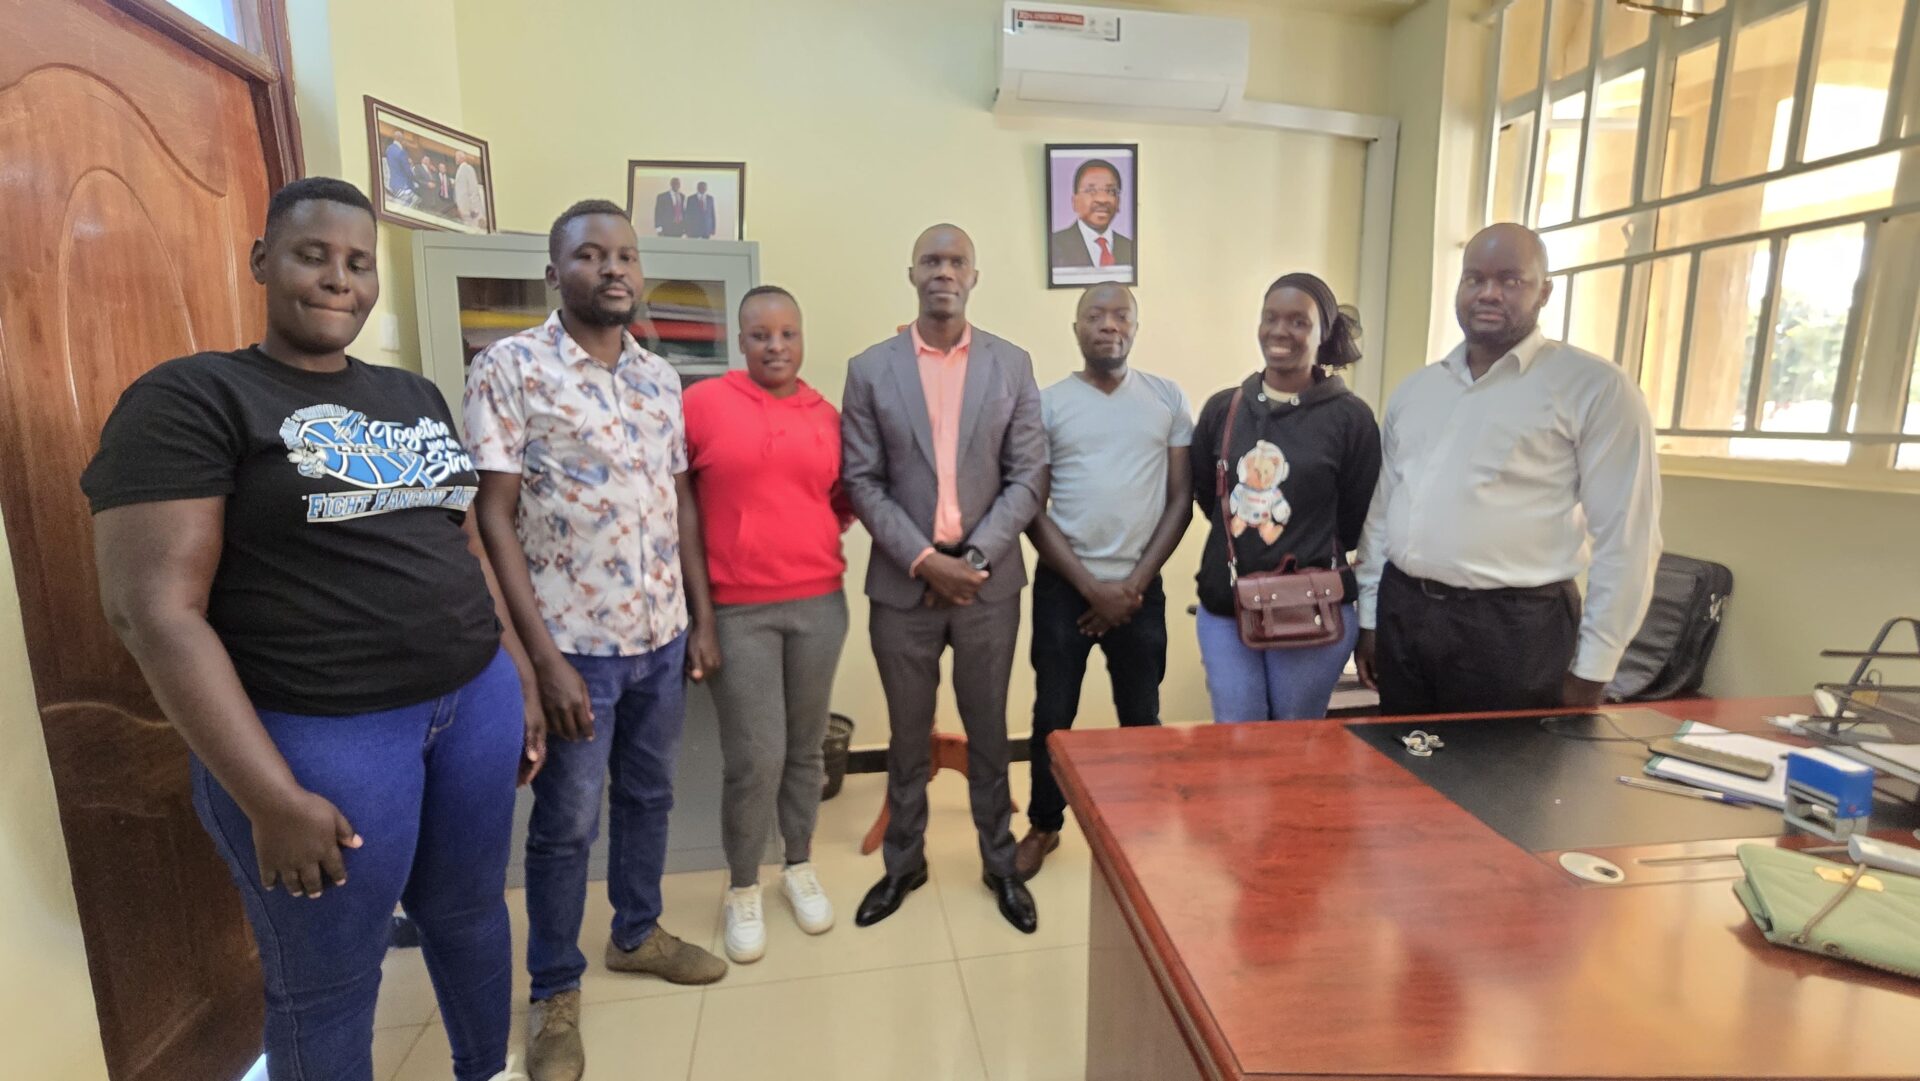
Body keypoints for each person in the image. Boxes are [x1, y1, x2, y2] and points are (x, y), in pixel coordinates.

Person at [81, 176, 543, 1081]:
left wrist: (518, 670)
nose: (340, 279)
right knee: (327, 982)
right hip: (323, 736)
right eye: (313, 255)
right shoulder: (194, 397)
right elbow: (151, 611)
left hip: (471, 702)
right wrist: (268, 799)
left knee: (471, 914)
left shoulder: (412, 393)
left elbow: (463, 543)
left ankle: (486, 1068)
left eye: (359, 263)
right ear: (262, 261)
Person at [464, 199, 727, 1081]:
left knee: (649, 797)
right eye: (589, 255)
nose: (612, 268)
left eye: (625, 255)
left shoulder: (661, 379)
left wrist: (699, 615)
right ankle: (554, 989)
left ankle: (638, 930)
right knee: (566, 827)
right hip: (573, 645)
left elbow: (678, 501)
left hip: (660, 635)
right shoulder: (511, 367)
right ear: (555, 273)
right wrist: (539, 662)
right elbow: (490, 518)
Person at [1354, 223, 1661, 715]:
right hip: (1405, 615)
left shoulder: (1595, 389)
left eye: (1511, 280)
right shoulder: (1418, 391)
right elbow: (1383, 512)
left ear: (1545, 291)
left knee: (1502, 786)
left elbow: (1628, 540)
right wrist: (1370, 617)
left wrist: (1594, 669)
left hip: (1516, 631)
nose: (1488, 293)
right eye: (1474, 278)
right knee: (1402, 775)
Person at [841, 223, 1046, 934]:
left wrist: (974, 561)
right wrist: (926, 561)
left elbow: (1028, 477)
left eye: (956, 260)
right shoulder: (870, 369)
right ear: (912, 273)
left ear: (974, 275)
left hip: (989, 584)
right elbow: (862, 480)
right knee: (905, 735)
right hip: (904, 585)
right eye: (932, 259)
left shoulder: (1012, 365)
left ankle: (999, 861)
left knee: (990, 728)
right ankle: (904, 862)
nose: (944, 271)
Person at [683, 285, 850, 963]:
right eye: (760, 335)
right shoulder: (701, 405)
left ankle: (799, 865)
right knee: (757, 756)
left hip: (819, 604)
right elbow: (680, 507)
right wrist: (703, 616)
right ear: (739, 339)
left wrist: (792, 536)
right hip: (737, 610)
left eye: (787, 333)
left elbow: (840, 500)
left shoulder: (827, 415)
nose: (775, 346)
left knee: (807, 749)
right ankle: (745, 885)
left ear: (802, 337)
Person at [1017, 283, 1192, 881]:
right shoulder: (1047, 404)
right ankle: (1044, 824)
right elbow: (1032, 510)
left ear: (1137, 328)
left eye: (1122, 315)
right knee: (1052, 716)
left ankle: (1140, 827)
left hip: (1140, 589)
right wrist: (1092, 590)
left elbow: (1180, 500)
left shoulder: (1167, 398)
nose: (1108, 325)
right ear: (1076, 327)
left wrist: (1130, 588)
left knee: (1141, 714)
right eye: (1096, 314)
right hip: (1066, 587)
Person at [1190, 272, 1381, 722]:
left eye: (1298, 322)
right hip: (1226, 608)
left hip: (1312, 611)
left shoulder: (1351, 419)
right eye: (1270, 318)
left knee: (1295, 745)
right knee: (1238, 737)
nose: (1280, 331)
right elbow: (1209, 497)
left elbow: (1356, 521)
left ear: (1323, 333)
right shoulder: (1225, 408)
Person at [1048, 159, 1134, 271]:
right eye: (1091, 190)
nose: (1102, 199)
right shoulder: (1055, 245)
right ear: (1074, 202)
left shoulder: (1130, 247)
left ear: (1118, 201)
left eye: (1110, 191)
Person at [454, 150, 486, 229]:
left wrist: (473, 209)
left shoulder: (468, 168)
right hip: (464, 210)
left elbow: (473, 189)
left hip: (471, 211)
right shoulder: (459, 170)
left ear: (462, 157)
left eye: (456, 157)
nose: (455, 159)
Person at [382, 132, 416, 205]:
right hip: (402, 185)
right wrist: (414, 176)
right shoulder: (401, 152)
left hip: (393, 183)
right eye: (404, 140)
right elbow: (407, 171)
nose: (405, 143)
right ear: (400, 139)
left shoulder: (389, 149)